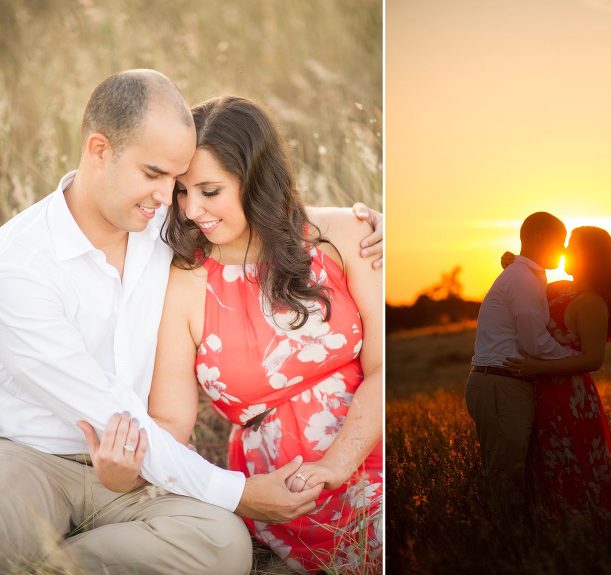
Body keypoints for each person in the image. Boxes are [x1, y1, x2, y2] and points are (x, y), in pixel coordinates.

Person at [0, 69, 382, 574]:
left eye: (178, 183)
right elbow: (114, 412)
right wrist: (239, 494)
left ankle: (54, 564)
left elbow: (255, 212)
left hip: (143, 468)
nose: (171, 201)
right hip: (33, 458)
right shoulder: (19, 262)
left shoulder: (164, 224)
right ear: (98, 150)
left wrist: (377, 222)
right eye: (157, 176)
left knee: (224, 547)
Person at [501, 226, 611, 515]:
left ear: (588, 255)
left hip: (570, 399)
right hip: (540, 393)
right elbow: (526, 296)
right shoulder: (559, 288)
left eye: (571, 246)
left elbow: (593, 360)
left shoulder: (590, 303)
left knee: (576, 465)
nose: (563, 251)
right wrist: (515, 265)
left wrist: (538, 367)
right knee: (543, 467)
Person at [465, 212, 579, 510]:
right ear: (542, 239)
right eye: (561, 242)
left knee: (517, 477)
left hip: (503, 383)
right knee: (507, 480)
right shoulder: (523, 280)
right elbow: (534, 342)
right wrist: (577, 359)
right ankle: (506, 548)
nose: (564, 250)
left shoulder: (524, 276)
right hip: (502, 385)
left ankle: (516, 543)